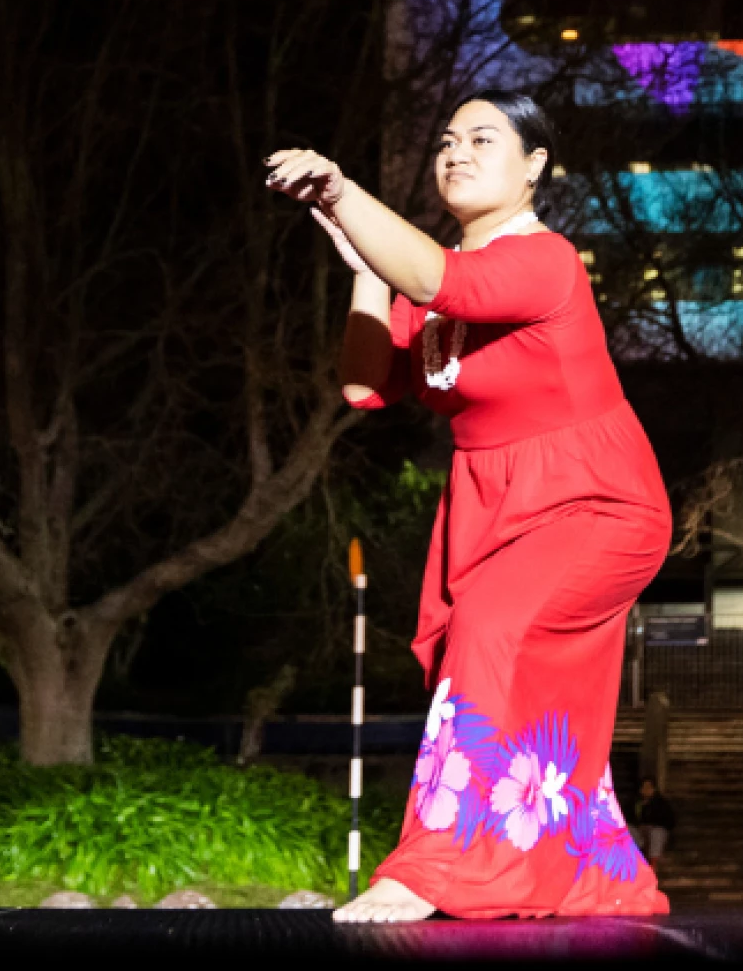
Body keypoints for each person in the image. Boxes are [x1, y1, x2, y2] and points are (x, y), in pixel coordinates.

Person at [264, 91, 670, 922]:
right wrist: (364, 275)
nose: (456, 152)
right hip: (493, 506)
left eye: (484, 139)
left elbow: (439, 275)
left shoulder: (543, 260)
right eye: (447, 141)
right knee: (501, 662)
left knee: (491, 628)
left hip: (594, 504)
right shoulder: (436, 289)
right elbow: (365, 382)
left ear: (534, 167)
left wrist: (344, 192)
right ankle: (594, 867)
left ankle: (435, 865)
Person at [631, 779, 675, 863]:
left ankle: (653, 861)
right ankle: (640, 851)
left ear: (654, 789)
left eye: (649, 787)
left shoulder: (661, 803)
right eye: (644, 787)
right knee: (628, 829)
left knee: (657, 833)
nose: (646, 790)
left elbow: (669, 821)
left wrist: (652, 824)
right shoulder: (634, 802)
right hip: (640, 831)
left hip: (656, 830)